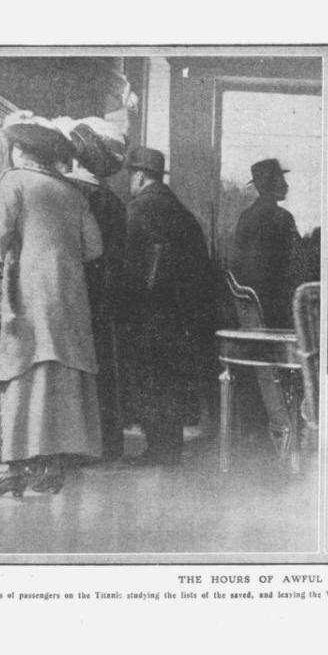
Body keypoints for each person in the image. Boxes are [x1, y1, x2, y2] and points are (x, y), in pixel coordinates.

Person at [0, 111, 103, 497]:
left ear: (22, 151)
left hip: (27, 289)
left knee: (22, 369)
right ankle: (51, 466)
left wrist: (12, 254)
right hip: (68, 294)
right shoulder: (72, 191)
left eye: (15, 148)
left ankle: (15, 467)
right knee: (59, 370)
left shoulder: (13, 181)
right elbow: (94, 248)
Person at [119, 146, 216, 466]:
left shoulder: (138, 210)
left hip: (147, 311)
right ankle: (169, 447)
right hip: (181, 314)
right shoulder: (183, 213)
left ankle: (156, 450)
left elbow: (128, 264)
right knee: (170, 381)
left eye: (130, 176)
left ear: (139, 176)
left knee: (148, 378)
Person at [56, 117, 128, 461]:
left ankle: (71, 445)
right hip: (104, 293)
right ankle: (106, 444)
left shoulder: (65, 192)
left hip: (71, 290)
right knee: (102, 364)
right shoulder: (111, 202)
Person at [230, 158, 302, 328]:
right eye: (281, 179)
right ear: (270, 184)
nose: (285, 185)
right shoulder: (283, 218)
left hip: (251, 306)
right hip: (278, 309)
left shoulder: (246, 217)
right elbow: (298, 263)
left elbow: (237, 263)